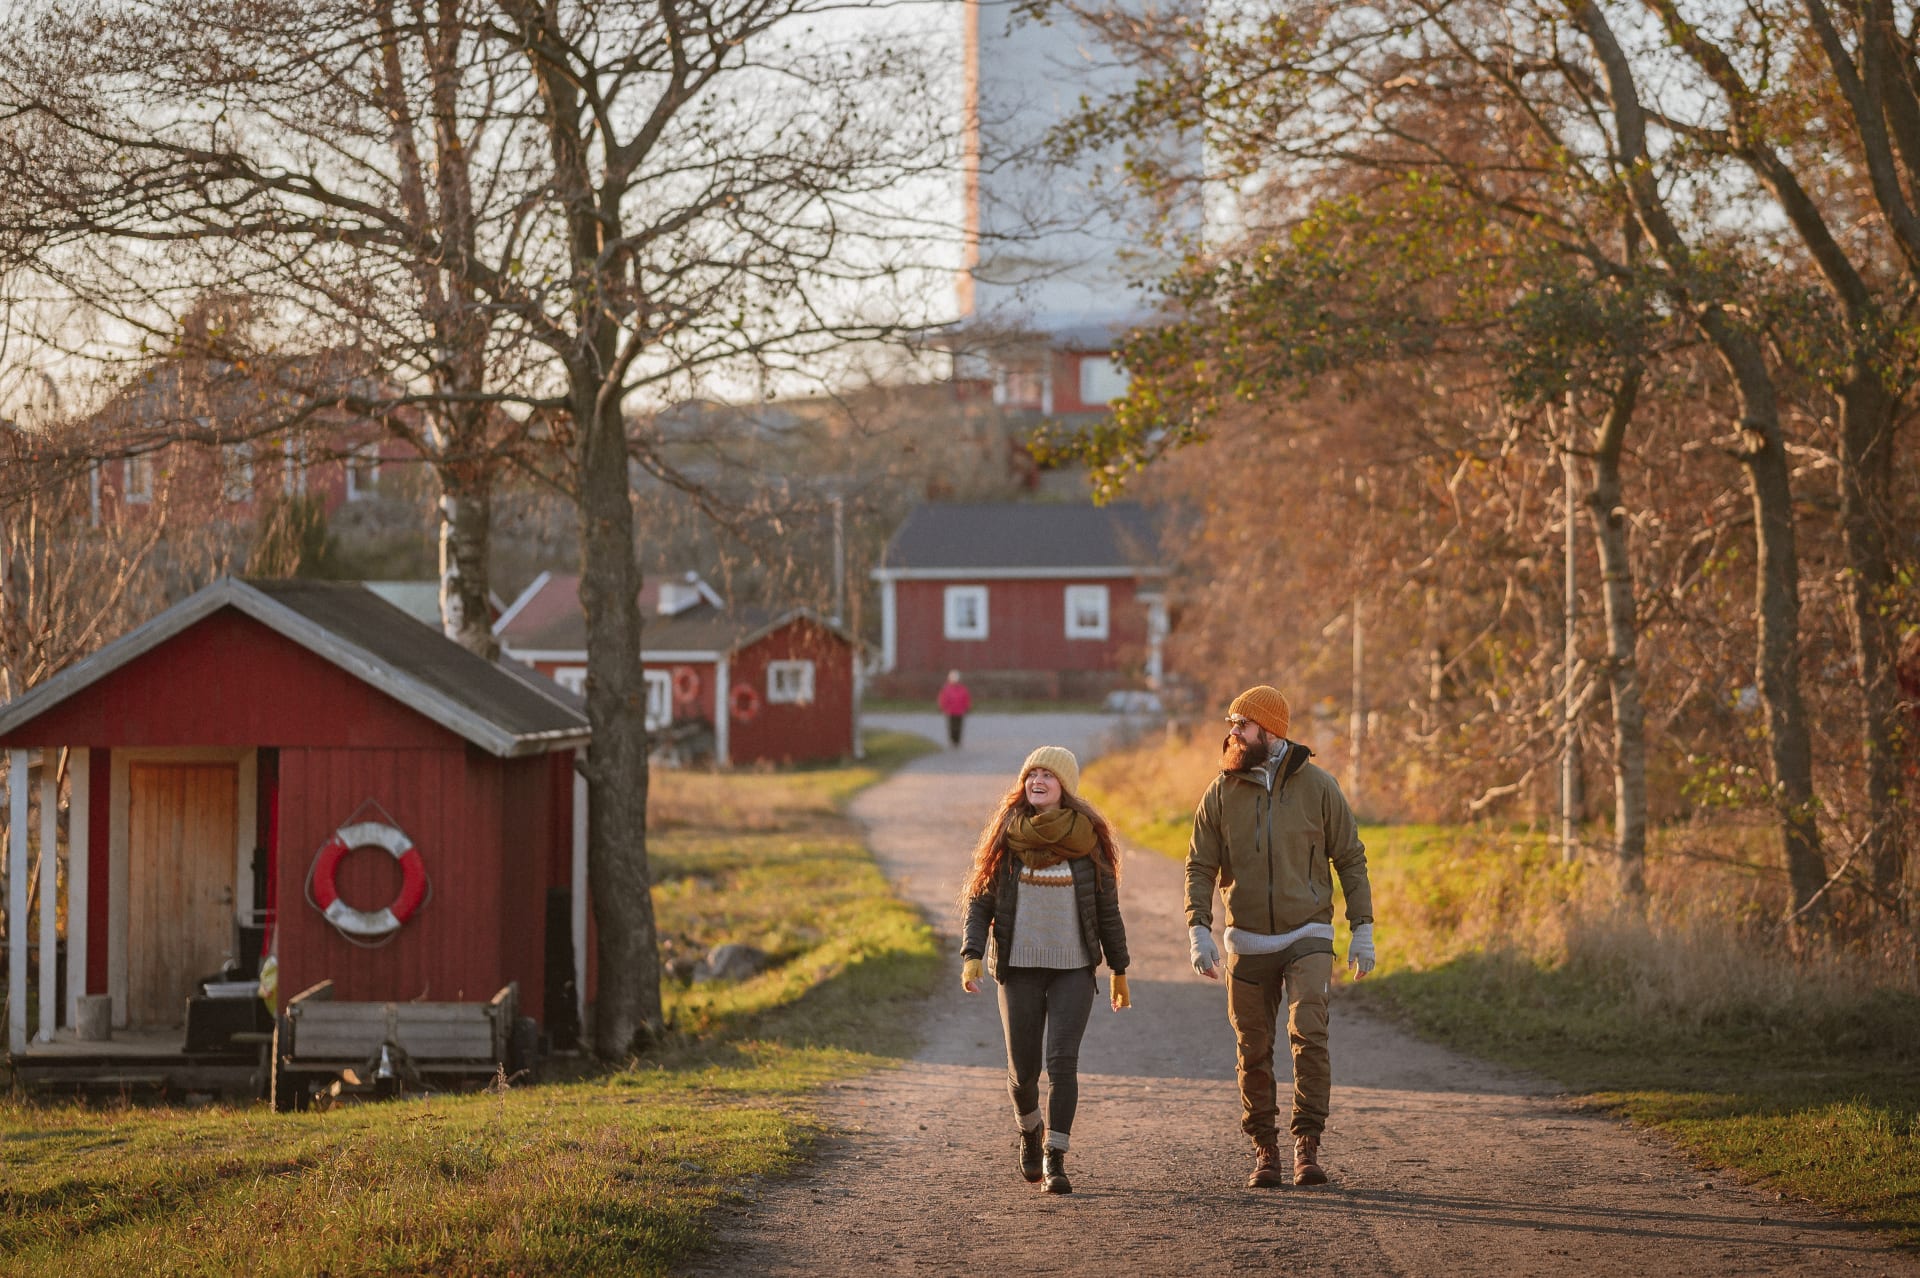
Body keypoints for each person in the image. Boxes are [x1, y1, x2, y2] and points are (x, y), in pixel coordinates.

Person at [1185, 684, 1374, 1189]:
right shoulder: (1220, 792)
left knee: (1308, 1032)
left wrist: (1363, 930)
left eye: (1241, 725)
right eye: (1231, 724)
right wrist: (1199, 928)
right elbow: (1200, 866)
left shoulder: (1319, 787)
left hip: (1308, 932)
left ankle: (1306, 1145)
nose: (1233, 733)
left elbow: (1350, 858)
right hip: (1246, 940)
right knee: (1253, 1048)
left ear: (1268, 732)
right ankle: (1264, 1149)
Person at [960, 746, 1130, 1195]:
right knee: (1022, 1073)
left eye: (1047, 775)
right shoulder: (1008, 838)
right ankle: (1029, 1131)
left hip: (1073, 969)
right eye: (1031, 774)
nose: (1037, 780)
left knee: (1062, 1064)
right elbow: (980, 904)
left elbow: (1107, 911)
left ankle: (1056, 1158)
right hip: (1017, 970)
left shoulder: (1086, 842)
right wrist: (972, 954)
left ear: (1064, 788)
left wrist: (1119, 969)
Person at [937, 669, 972, 748]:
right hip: (950, 711)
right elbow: (943, 698)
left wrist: (967, 707)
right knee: (952, 726)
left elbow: (966, 698)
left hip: (960, 711)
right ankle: (952, 740)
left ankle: (957, 740)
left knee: (959, 726)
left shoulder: (963, 689)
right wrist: (942, 707)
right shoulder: (946, 689)